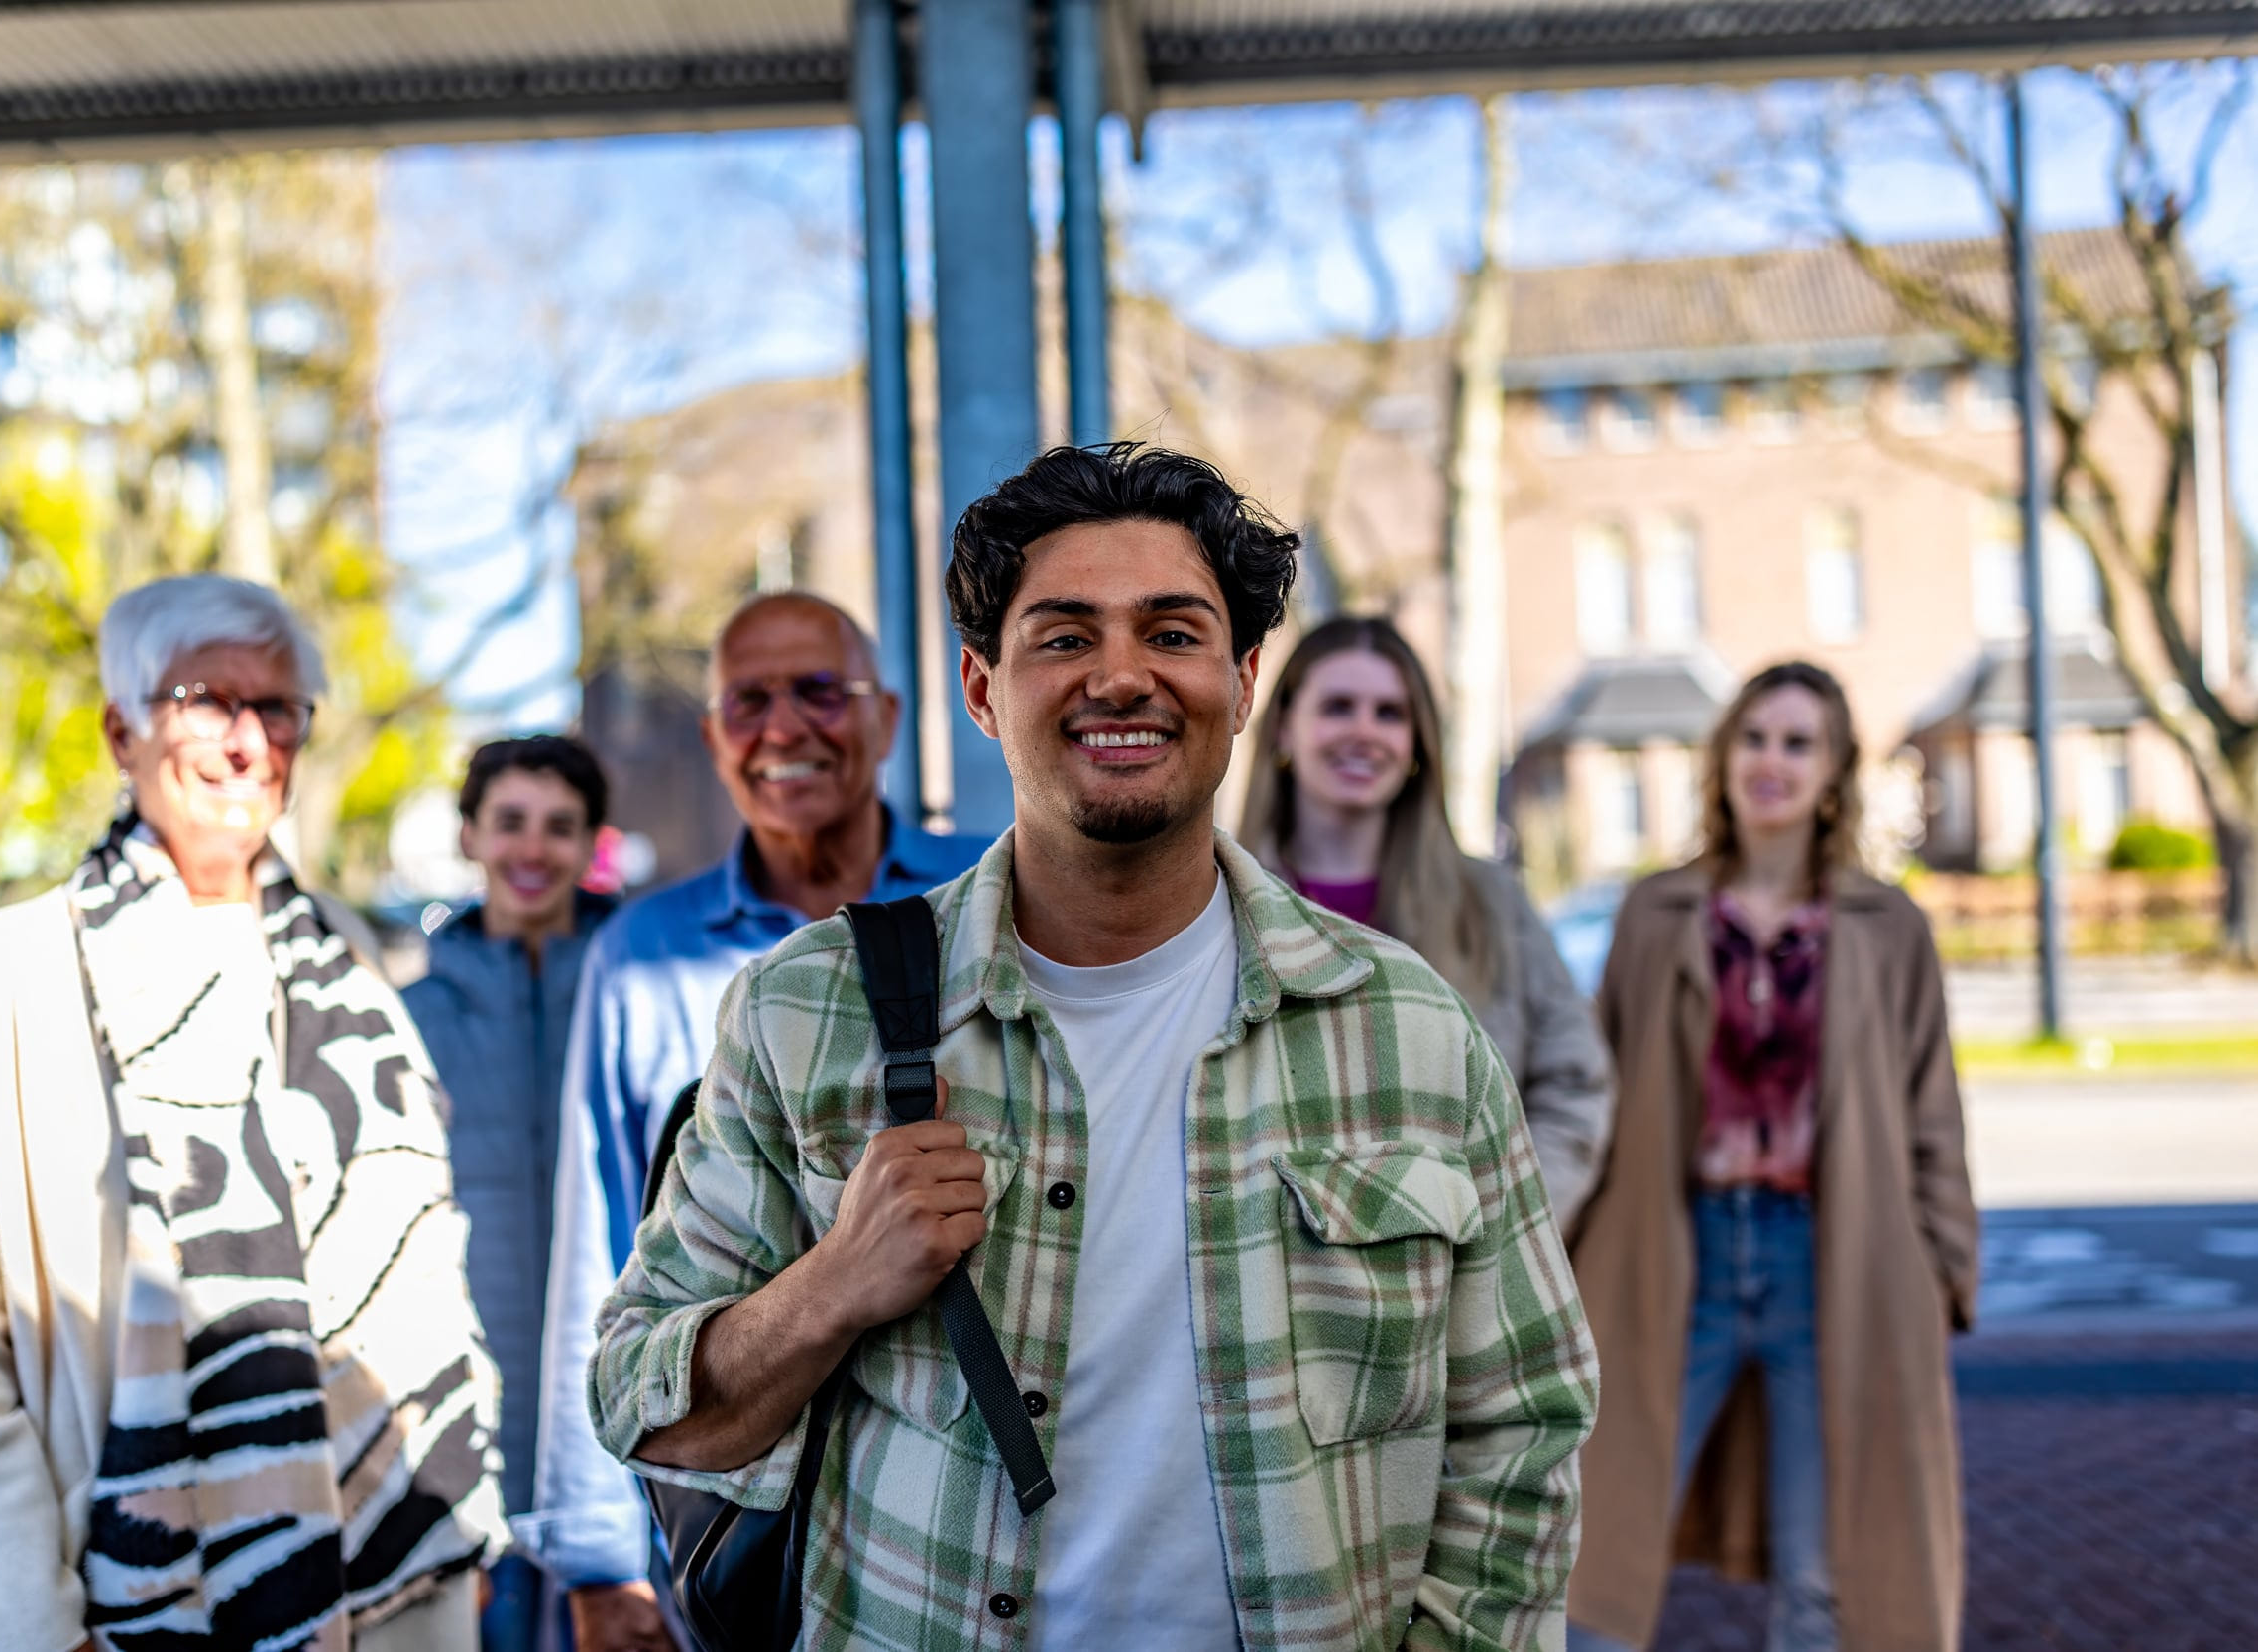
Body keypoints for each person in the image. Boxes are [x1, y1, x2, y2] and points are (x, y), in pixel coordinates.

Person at [590, 443, 1598, 1650]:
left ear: (1243, 676)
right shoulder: (809, 1012)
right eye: (1064, 637)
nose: (1121, 676)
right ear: (980, 689)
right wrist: (834, 1283)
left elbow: (1519, 1427)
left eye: (1171, 634)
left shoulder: (1409, 1029)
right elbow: (642, 1403)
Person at [0, 574, 504, 1652]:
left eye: (277, 708)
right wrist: (28, 1615)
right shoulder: (18, 971)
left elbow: (425, 1258)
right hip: (135, 1606)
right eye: (204, 698)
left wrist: (457, 1518)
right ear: (122, 731)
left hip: (398, 1583)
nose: (245, 740)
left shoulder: (347, 957)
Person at [530, 591, 989, 1652]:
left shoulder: (991, 896)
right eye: (750, 700)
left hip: (969, 1513)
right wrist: (601, 1555)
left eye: (818, 691)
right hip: (737, 1522)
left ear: (884, 715)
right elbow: (598, 1251)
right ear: (711, 738)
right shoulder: (642, 956)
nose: (785, 727)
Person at [1564, 661, 1979, 1652]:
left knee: (1826, 1571)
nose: (1772, 760)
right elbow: (1597, 1091)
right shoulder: (1655, 914)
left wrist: (1940, 1267)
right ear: (1723, 757)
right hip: (1673, 1256)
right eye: (1754, 736)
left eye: (1798, 742)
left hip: (1831, 1264)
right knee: (1583, 1546)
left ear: (1833, 772)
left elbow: (1931, 1109)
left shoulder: (1886, 928)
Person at [1240, 615, 1616, 1226]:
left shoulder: (1493, 903)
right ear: (1283, 725)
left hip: (1455, 1280)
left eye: (1390, 713)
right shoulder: (1216, 905)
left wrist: (1495, 1229)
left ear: (1418, 744)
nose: (1365, 731)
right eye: (1339, 706)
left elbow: (1574, 1086)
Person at [401, 735, 619, 1652]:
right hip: (467, 1405)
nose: (534, 850)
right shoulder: (412, 1017)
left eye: (559, 827)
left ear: (589, 844)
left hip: (612, 1401)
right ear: (470, 838)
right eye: (511, 823)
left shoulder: (631, 985)